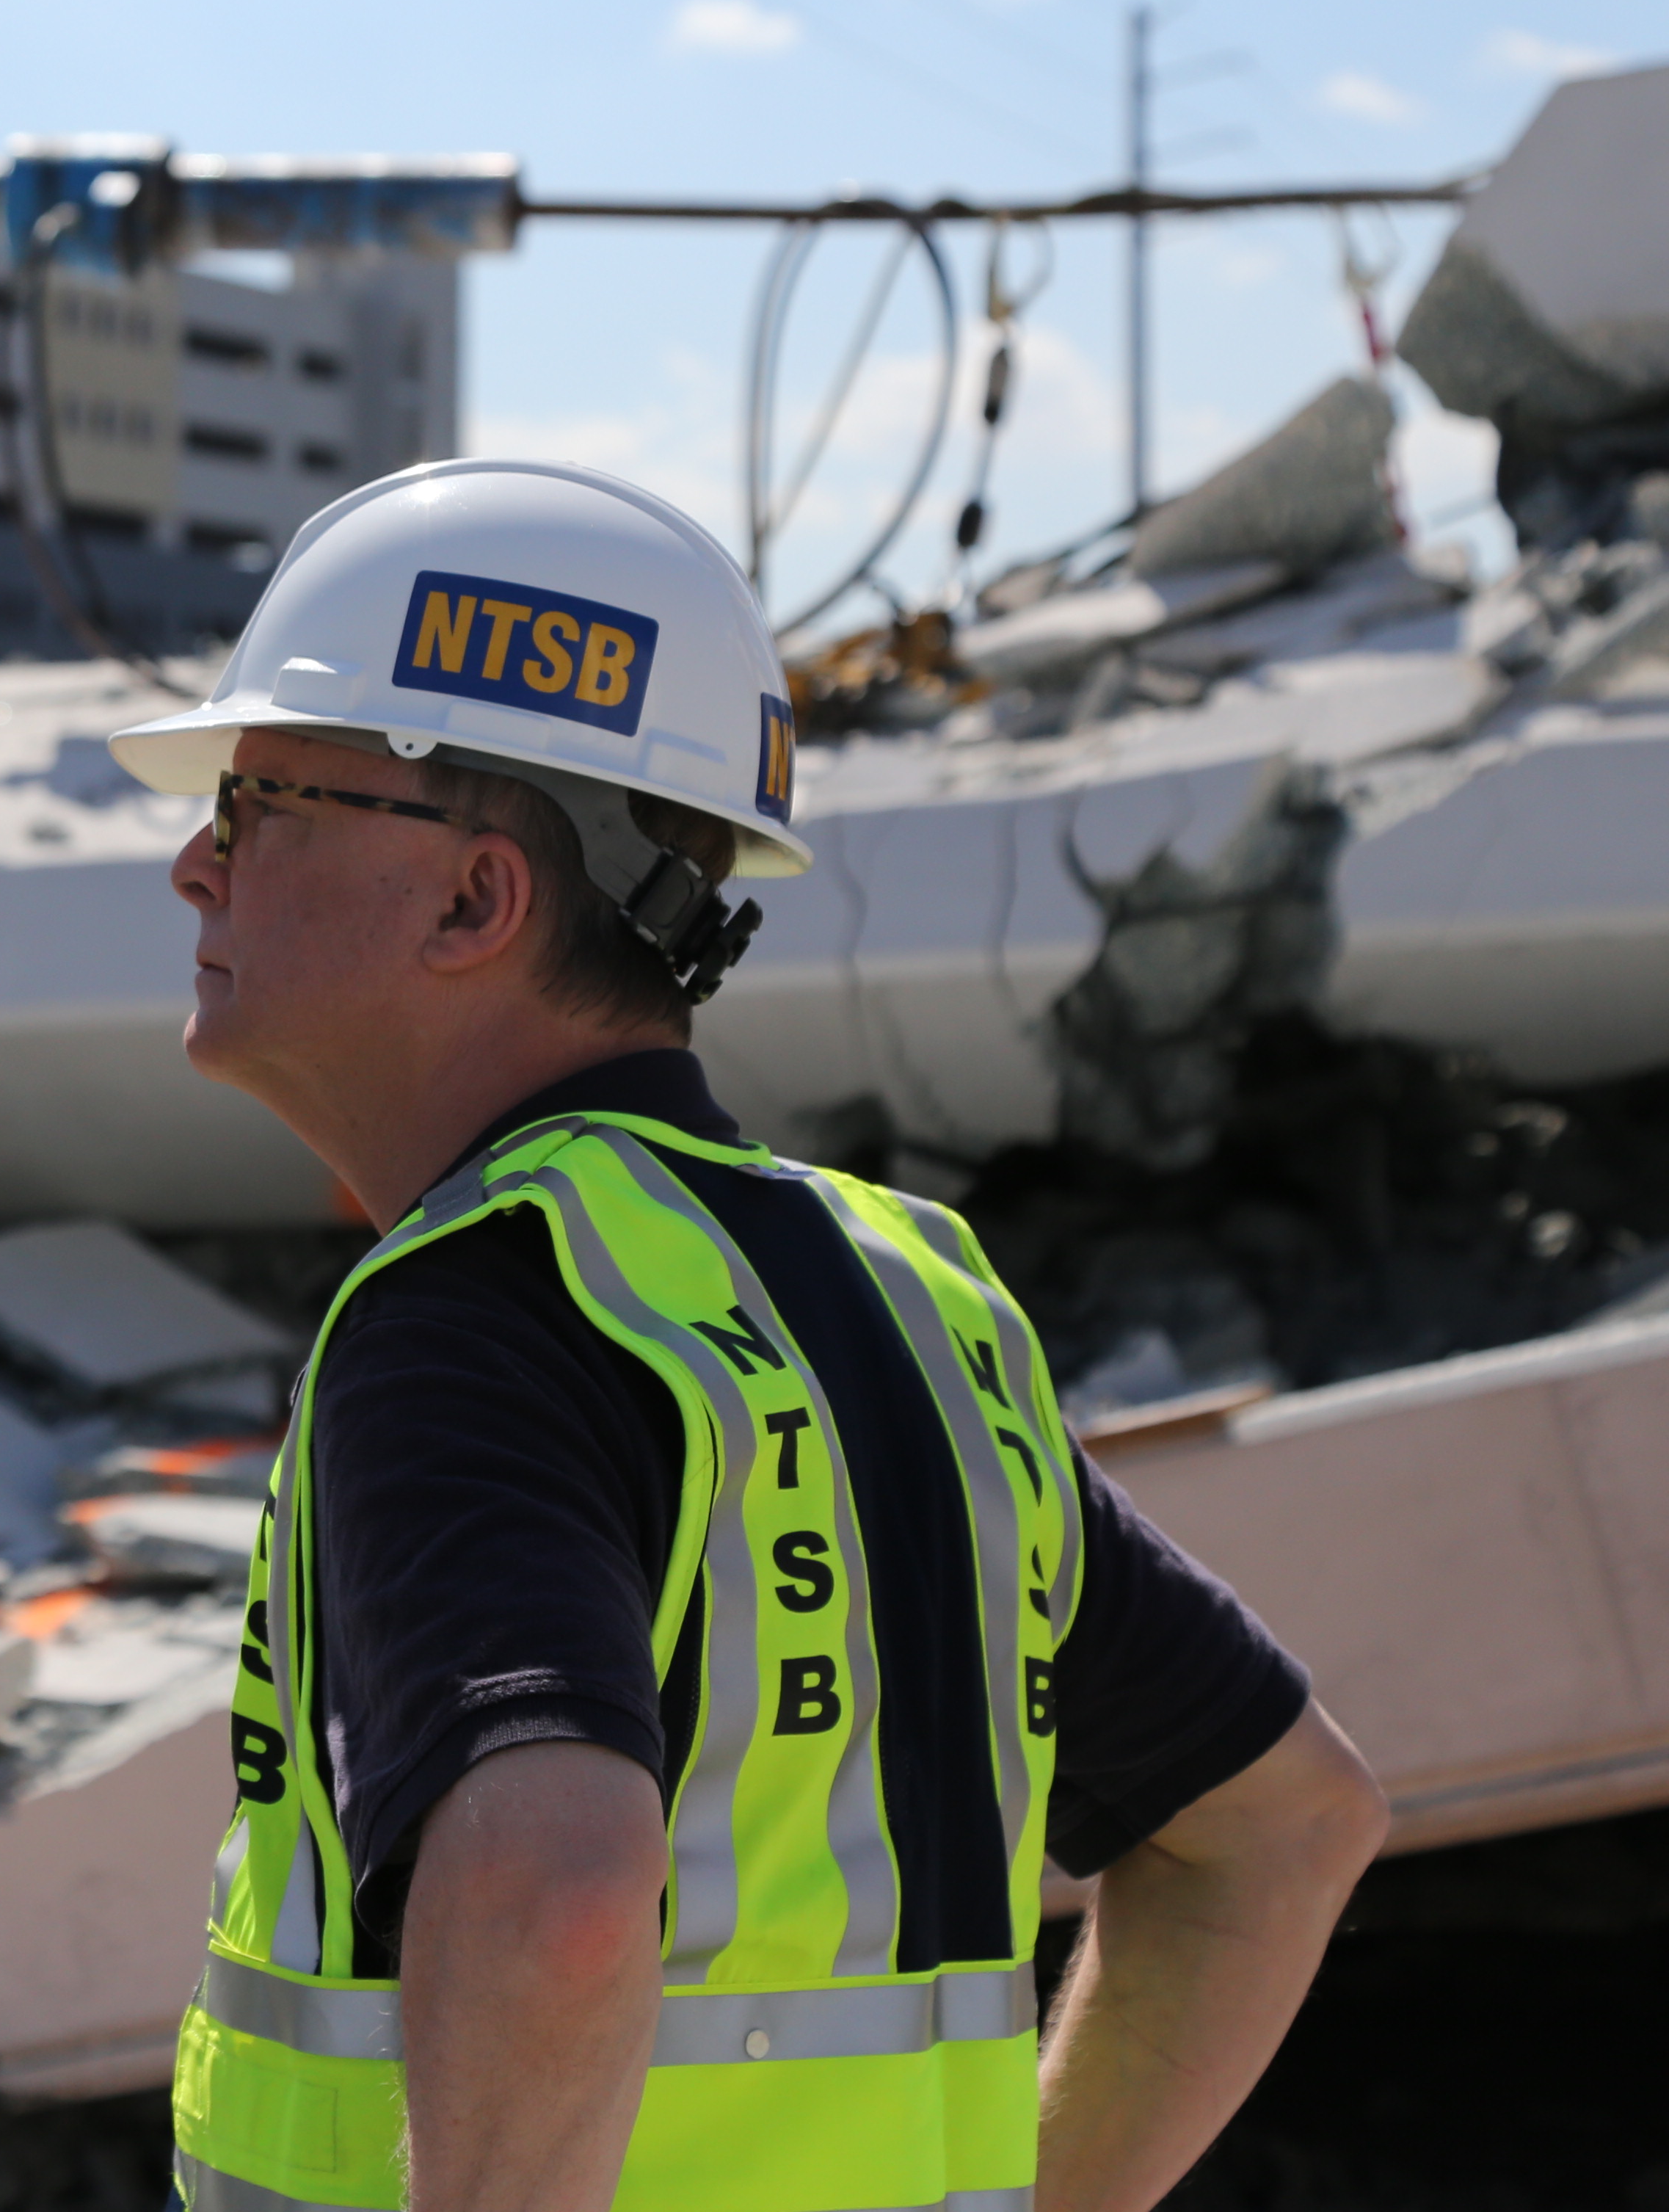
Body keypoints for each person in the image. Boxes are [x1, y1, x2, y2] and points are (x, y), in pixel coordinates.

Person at [112, 458, 1389, 2212]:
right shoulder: (913, 1299)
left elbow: (557, 1902)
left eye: (263, 800)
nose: (197, 865)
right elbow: (1285, 1825)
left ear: (476, 903)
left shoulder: (478, 1312)